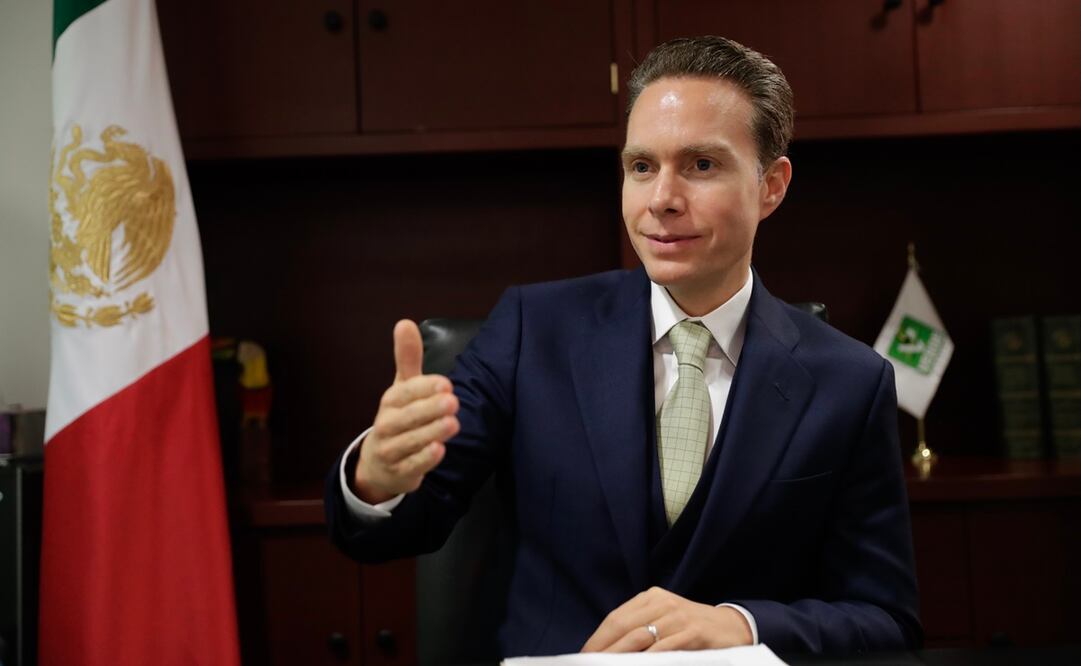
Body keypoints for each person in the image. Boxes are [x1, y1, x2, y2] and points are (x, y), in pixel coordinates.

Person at [325, 35, 921, 656]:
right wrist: (376, 479)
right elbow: (397, 527)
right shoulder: (533, 331)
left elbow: (886, 619)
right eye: (642, 167)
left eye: (701, 165)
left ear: (771, 185)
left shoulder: (851, 381)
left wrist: (743, 624)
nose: (661, 199)